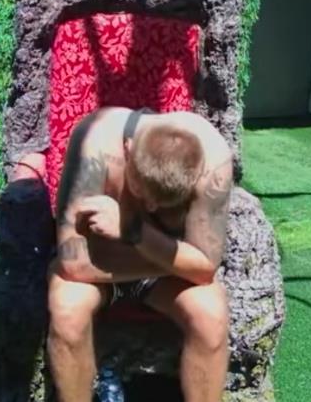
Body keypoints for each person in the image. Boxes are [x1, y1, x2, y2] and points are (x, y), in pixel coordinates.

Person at [46, 107, 233, 402]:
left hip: (157, 271)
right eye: (142, 192)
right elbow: (73, 264)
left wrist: (132, 229)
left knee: (211, 317)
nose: (152, 207)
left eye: (166, 202)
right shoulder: (95, 141)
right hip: (99, 264)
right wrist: (180, 261)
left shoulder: (214, 161)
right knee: (67, 309)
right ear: (128, 149)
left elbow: (205, 267)